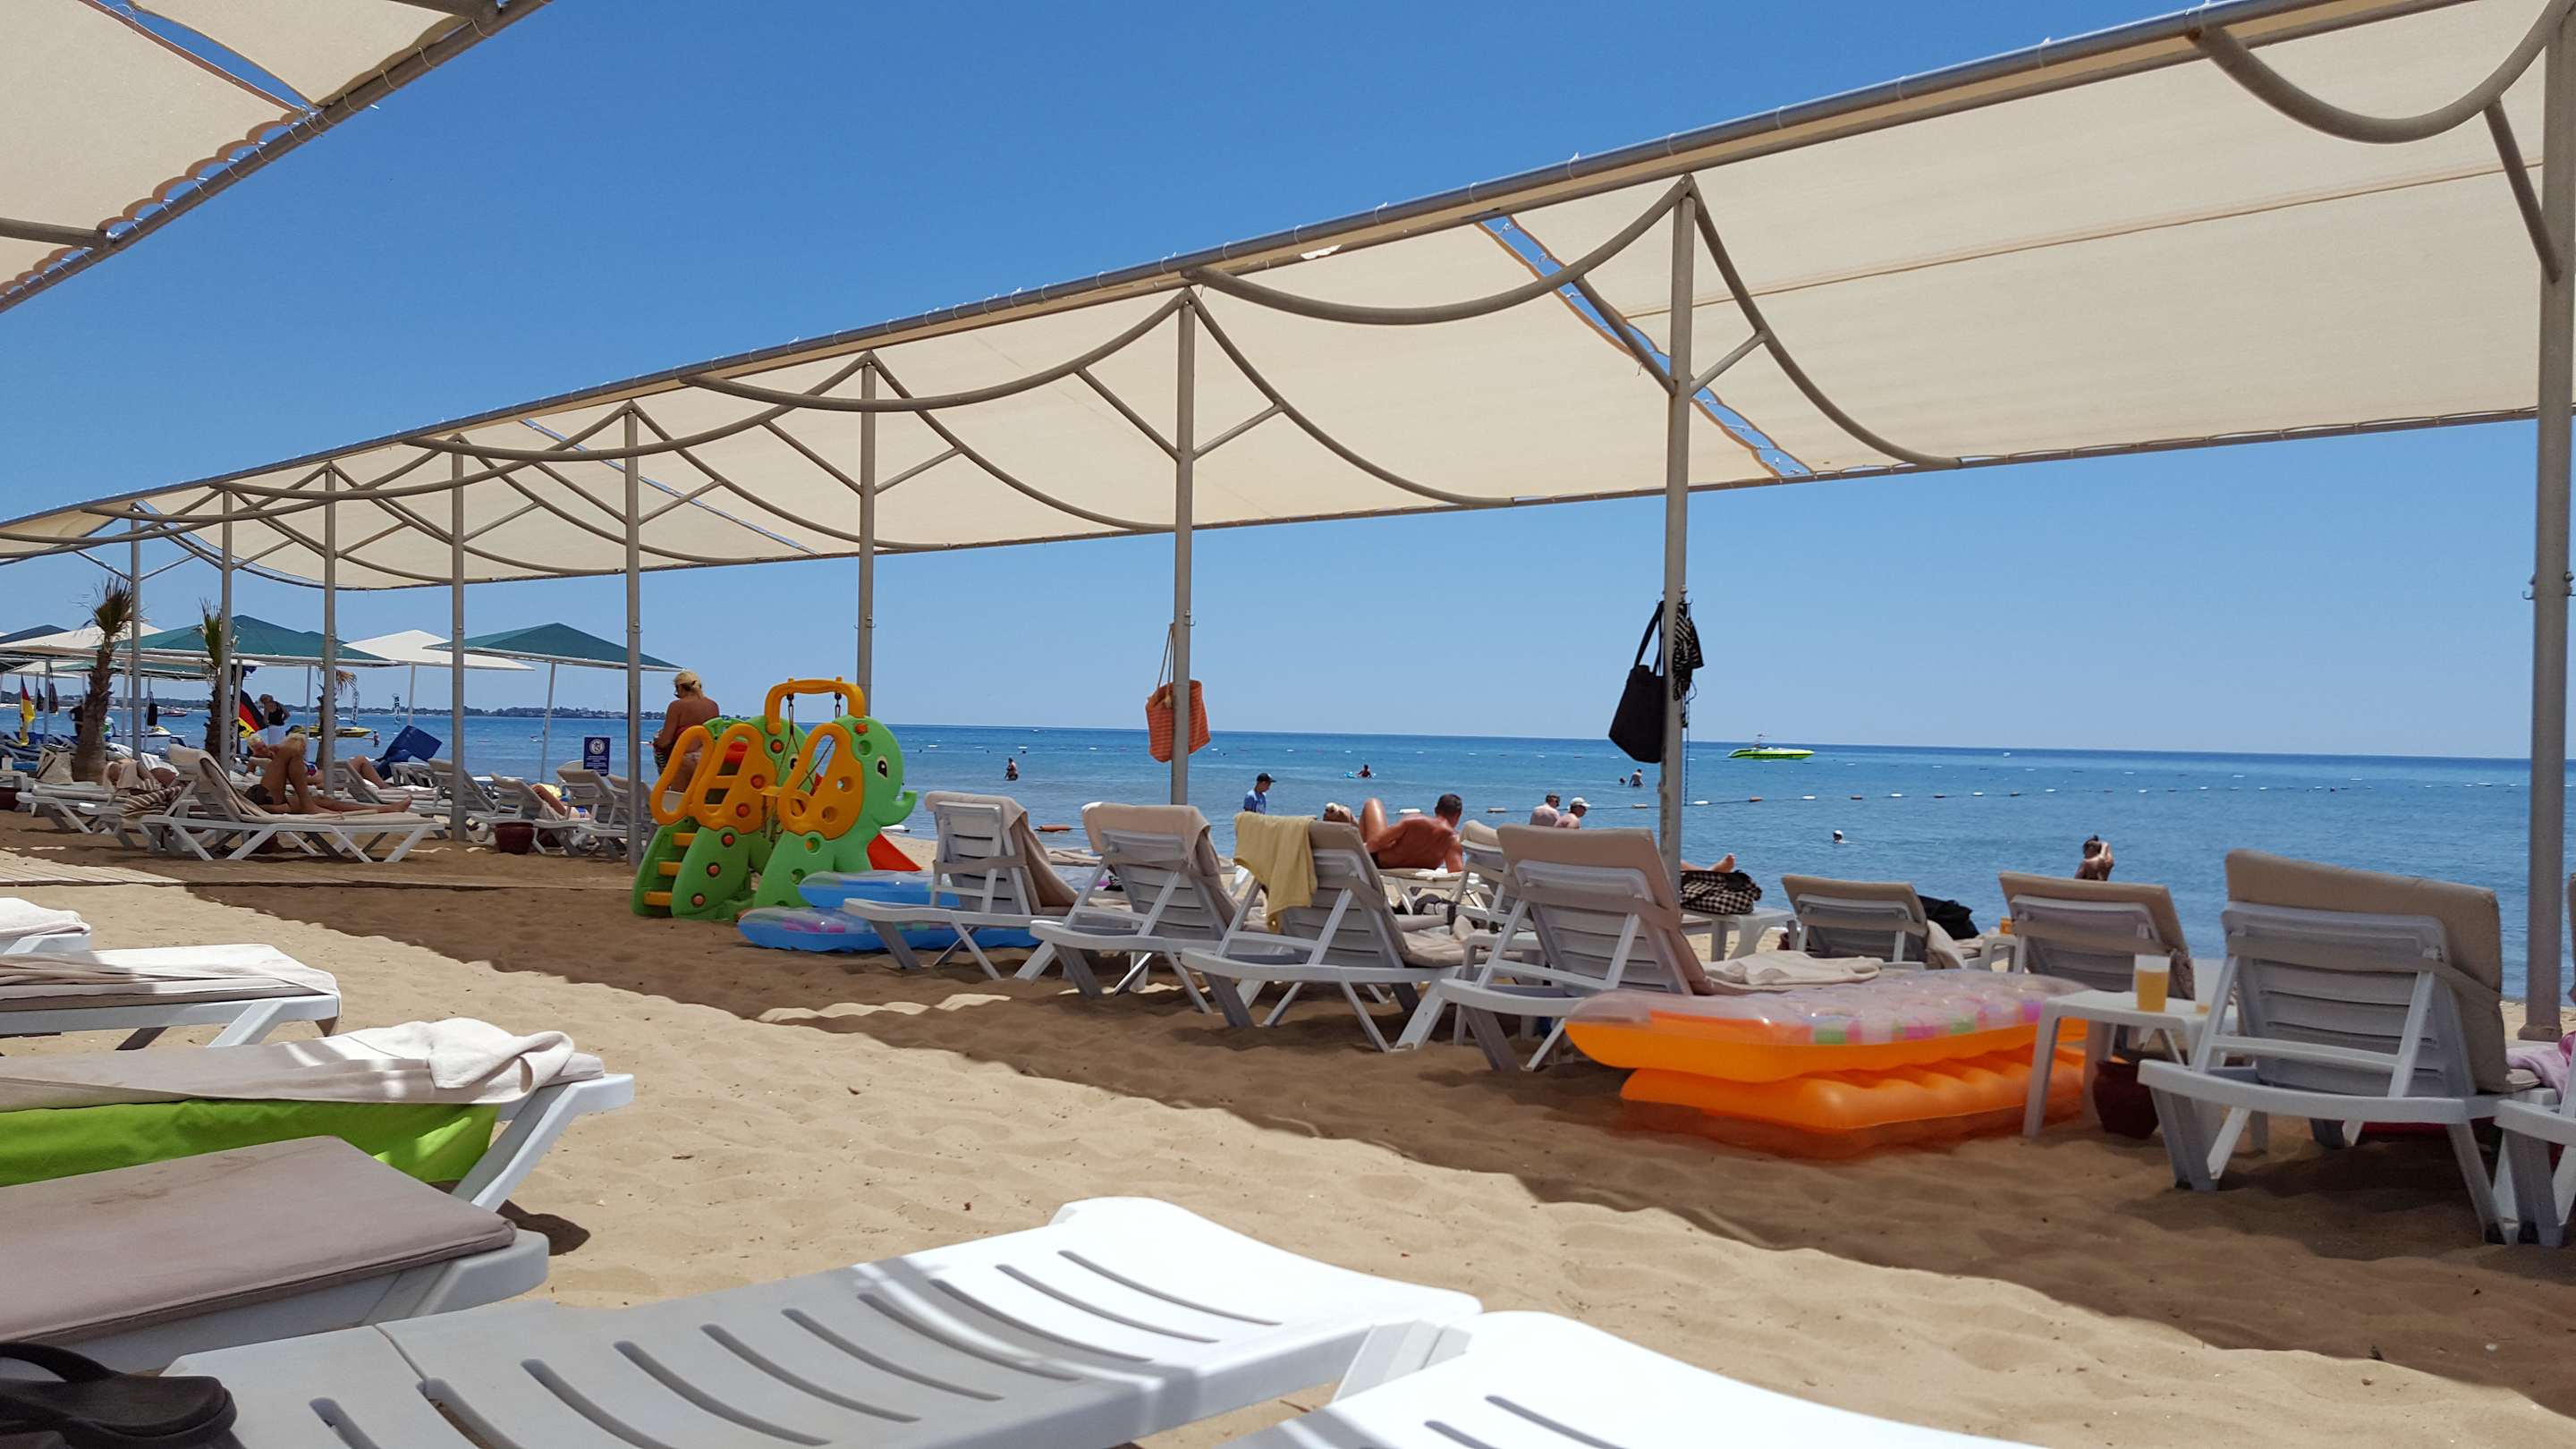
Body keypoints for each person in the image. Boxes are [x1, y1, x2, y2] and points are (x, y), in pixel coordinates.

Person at [1323, 793, 1464, 871]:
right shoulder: (1454, 840)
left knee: (1373, 802)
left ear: (1436, 810)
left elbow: (1374, 844)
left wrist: (1351, 849)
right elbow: (1455, 874)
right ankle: (1352, 823)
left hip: (1378, 862)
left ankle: (1351, 822)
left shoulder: (1416, 820)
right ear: (1458, 815)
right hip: (1409, 872)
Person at [651, 670, 720, 773]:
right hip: (708, 759)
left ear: (680, 687)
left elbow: (665, 742)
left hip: (684, 760)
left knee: (659, 740)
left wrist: (656, 740)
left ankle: (665, 776)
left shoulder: (677, 706)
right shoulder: (713, 705)